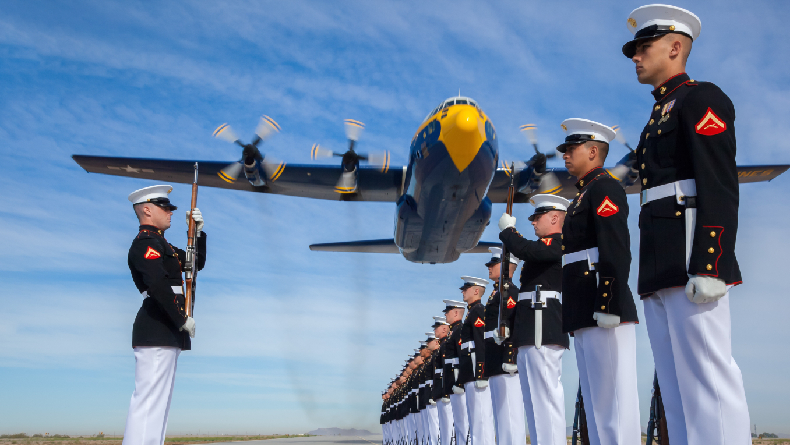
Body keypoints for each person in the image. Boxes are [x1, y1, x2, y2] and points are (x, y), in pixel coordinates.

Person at [623, 5, 751, 444]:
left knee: (709, 378)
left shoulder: (702, 99)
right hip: (661, 260)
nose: (635, 57)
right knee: (675, 385)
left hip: (691, 255)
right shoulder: (658, 113)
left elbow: (718, 183)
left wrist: (710, 264)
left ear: (675, 47)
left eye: (644, 48)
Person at [558, 119, 640, 444]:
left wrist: (608, 301)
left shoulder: (605, 187)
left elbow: (615, 246)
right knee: (596, 407)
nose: (565, 155)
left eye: (571, 149)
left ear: (593, 151)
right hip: (583, 309)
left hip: (602, 307)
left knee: (613, 406)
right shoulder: (584, 194)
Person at [123, 185, 206, 445]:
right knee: (149, 403)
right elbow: (157, 285)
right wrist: (181, 319)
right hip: (158, 326)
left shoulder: (163, 244)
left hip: (166, 330)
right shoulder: (146, 244)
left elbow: (195, 263)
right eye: (165, 208)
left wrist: (197, 233)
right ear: (146, 210)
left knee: (159, 404)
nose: (170, 212)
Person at [498, 194, 570, 445]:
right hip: (531, 330)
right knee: (533, 401)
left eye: (537, 217)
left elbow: (526, 249)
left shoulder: (558, 243)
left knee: (545, 398)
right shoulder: (543, 248)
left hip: (544, 328)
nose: (533, 223)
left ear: (553, 218)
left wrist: (509, 231)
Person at [481, 249, 526, 445]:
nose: (489, 267)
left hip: (504, 362)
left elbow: (515, 326)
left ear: (508, 267)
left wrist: (510, 358)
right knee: (501, 415)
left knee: (510, 415)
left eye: (494, 263)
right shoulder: (497, 293)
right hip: (494, 360)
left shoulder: (511, 292)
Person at [455, 277, 495, 445]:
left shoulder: (478, 310)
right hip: (469, 370)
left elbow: (480, 341)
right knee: (475, 419)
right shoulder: (472, 312)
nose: (463, 291)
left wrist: (481, 372)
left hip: (474, 369)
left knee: (480, 418)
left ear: (476, 291)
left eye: (466, 288)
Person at [442, 300, 469, 445]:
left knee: (463, 421)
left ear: (457, 313)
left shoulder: (459, 330)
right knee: (458, 422)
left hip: (457, 380)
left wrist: (460, 382)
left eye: (448, 311)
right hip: (452, 381)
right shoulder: (453, 331)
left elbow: (461, 357)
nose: (446, 314)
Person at [430, 317, 453, 445]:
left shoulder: (446, 345)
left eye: (436, 327)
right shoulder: (441, 348)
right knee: (443, 426)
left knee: (449, 425)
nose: (434, 330)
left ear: (444, 328)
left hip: (447, 391)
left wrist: (445, 392)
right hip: (440, 391)